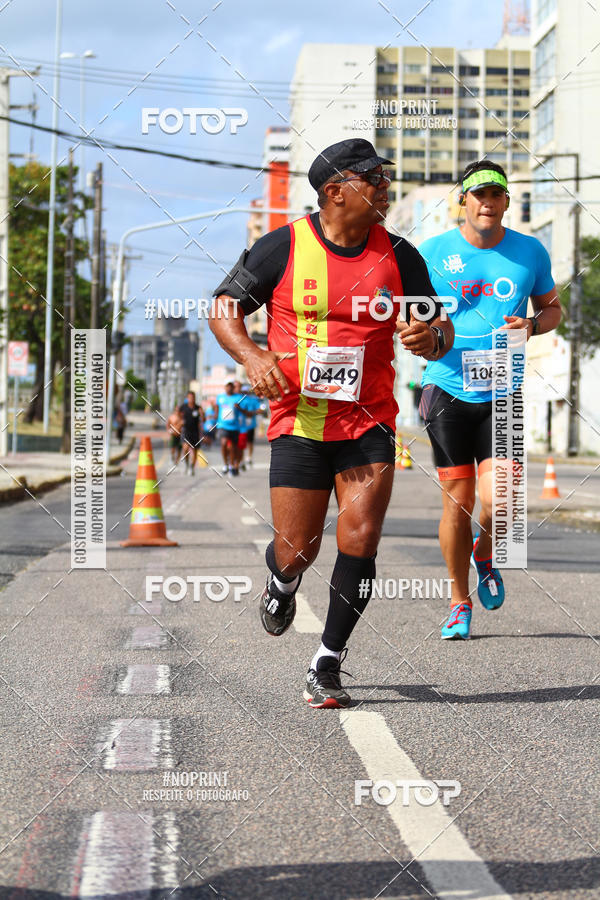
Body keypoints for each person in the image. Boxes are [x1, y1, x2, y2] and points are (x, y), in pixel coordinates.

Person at [210, 138, 453, 708]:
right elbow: (224, 307)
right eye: (374, 181)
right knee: (298, 547)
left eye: (385, 180)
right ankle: (282, 581)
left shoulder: (400, 255)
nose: (385, 190)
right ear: (335, 191)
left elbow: (439, 330)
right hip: (299, 420)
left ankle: (328, 660)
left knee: (362, 537)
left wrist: (430, 337)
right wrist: (250, 356)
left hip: (369, 422)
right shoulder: (282, 247)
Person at [418, 159, 561, 641]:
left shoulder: (529, 252)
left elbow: (553, 308)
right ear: (463, 198)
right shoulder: (432, 252)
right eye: (478, 193)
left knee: (501, 501)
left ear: (505, 201)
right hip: (448, 387)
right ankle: (459, 600)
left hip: (505, 388)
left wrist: (532, 325)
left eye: (496, 194)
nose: (487, 202)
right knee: (456, 502)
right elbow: (413, 319)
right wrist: (419, 334)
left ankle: (485, 552)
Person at [215, 380, 241, 475]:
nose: (229, 388)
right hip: (223, 425)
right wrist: (214, 419)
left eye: (231, 386)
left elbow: (243, 411)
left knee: (233, 447)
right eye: (227, 386)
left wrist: (239, 407)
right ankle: (225, 464)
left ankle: (231, 465)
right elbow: (217, 409)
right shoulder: (220, 397)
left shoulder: (238, 398)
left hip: (234, 427)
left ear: (233, 388)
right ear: (225, 387)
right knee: (224, 443)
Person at [236, 385, 265, 467]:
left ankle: (249, 457)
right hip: (241, 425)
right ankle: (241, 459)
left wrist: (252, 413)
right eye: (244, 391)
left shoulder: (253, 399)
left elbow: (260, 410)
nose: (245, 393)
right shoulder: (239, 399)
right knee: (241, 443)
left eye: (246, 391)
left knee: (250, 442)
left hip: (251, 424)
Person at [178, 390, 203, 476]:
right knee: (185, 448)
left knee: (194, 450)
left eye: (193, 398)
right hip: (186, 431)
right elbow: (178, 414)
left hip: (195, 432)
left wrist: (202, 414)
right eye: (190, 398)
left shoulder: (198, 408)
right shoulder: (183, 407)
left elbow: (203, 420)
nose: (191, 399)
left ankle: (192, 467)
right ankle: (187, 464)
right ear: (187, 398)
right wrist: (180, 421)